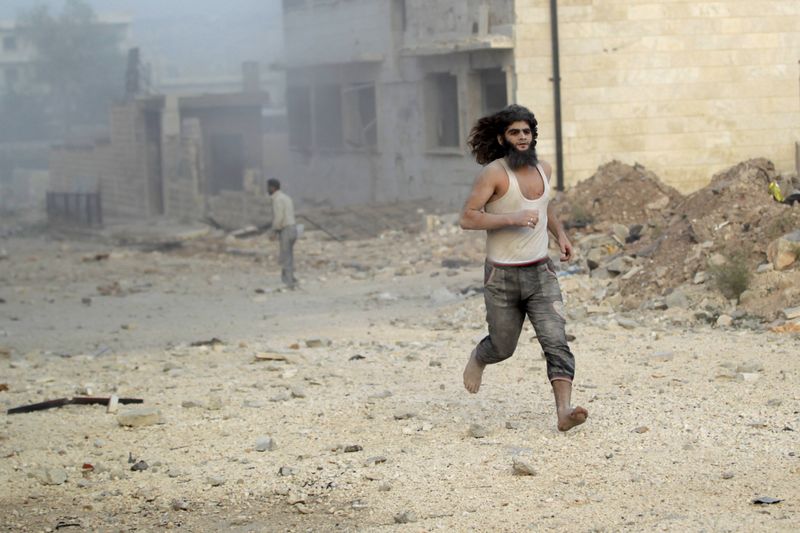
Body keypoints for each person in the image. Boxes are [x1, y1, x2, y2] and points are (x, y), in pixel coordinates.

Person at [459, 104, 588, 432]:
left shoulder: (544, 169)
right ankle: (479, 357)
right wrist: (511, 218)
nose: (521, 138)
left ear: (533, 136)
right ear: (503, 137)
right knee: (503, 346)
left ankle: (564, 410)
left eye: (526, 132)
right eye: (514, 132)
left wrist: (560, 235)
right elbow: (468, 217)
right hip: (501, 276)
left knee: (556, 340)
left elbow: (544, 207)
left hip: (540, 274)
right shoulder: (494, 174)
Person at [267, 178, 298, 289]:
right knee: (289, 255)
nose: (268, 189)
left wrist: (274, 231)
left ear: (273, 188)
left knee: (286, 257)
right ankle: (291, 278)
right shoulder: (286, 197)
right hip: (293, 229)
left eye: (268, 187)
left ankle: (289, 282)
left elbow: (279, 217)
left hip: (286, 230)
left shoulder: (277, 199)